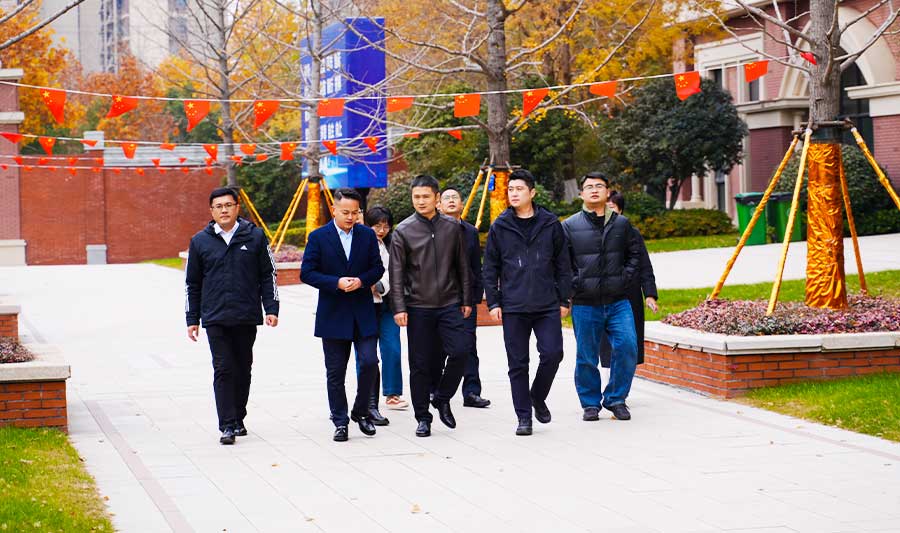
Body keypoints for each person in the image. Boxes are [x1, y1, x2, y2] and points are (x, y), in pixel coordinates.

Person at [185, 187, 279, 445]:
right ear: (211, 211)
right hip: (215, 316)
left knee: (243, 369)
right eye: (219, 206)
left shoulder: (255, 236)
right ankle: (227, 424)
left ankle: (238, 417)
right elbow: (192, 283)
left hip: (246, 315)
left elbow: (268, 274)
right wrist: (192, 319)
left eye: (228, 205)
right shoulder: (200, 241)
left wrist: (271, 308)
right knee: (223, 368)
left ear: (237, 207)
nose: (224, 210)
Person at [482, 169, 572, 436]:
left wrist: (564, 298)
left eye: (519, 189)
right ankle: (524, 417)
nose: (514, 193)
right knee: (518, 364)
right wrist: (494, 302)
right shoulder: (500, 226)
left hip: (546, 303)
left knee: (553, 354)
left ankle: (537, 396)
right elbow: (490, 267)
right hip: (513, 305)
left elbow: (563, 264)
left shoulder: (550, 223)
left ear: (532, 193)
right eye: (510, 189)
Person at [389, 175, 472, 438]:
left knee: (461, 351)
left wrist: (467, 299)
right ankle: (422, 417)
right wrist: (399, 307)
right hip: (418, 307)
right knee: (420, 364)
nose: (421, 201)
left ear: (437, 198)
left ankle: (442, 397)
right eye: (416, 197)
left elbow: (463, 266)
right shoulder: (403, 231)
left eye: (426, 196)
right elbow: (396, 273)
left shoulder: (452, 227)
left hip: (450, 303)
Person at [300, 188, 385, 442]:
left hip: (363, 311)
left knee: (369, 362)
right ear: (334, 209)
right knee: (335, 372)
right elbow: (307, 272)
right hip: (333, 314)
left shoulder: (367, 235)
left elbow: (377, 268)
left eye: (355, 213)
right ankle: (340, 421)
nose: (350, 217)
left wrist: (361, 281)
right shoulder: (318, 237)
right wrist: (335, 282)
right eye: (345, 212)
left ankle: (361, 412)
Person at [562, 172, 642, 422]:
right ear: (581, 194)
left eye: (599, 186)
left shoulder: (622, 224)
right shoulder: (569, 226)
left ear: (608, 192)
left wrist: (624, 278)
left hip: (618, 301)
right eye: (589, 187)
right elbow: (562, 263)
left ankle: (616, 398)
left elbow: (635, 255)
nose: (594, 190)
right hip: (585, 303)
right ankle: (590, 403)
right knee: (586, 356)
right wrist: (575, 285)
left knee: (628, 346)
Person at [437, 186, 490, 409]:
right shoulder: (432, 229)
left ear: (461, 204)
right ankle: (437, 389)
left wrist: (476, 295)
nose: (451, 201)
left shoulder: (470, 231)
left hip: (465, 298)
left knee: (469, 345)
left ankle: (471, 392)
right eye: (446, 198)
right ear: (439, 205)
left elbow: (476, 266)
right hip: (439, 297)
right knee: (439, 346)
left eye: (455, 198)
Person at [599, 191, 658, 369]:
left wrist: (650, 294)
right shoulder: (591, 233)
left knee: (629, 342)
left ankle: (623, 380)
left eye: (612, 208)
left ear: (621, 211)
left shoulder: (632, 233)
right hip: (602, 295)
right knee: (606, 345)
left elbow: (644, 265)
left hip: (630, 295)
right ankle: (609, 380)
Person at [364, 206, 409, 412]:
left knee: (392, 348)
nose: (382, 230)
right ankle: (367, 397)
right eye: (377, 226)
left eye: (386, 226)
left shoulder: (393, 244)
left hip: (389, 304)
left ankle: (393, 393)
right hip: (365, 306)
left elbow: (398, 271)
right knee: (366, 354)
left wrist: (380, 286)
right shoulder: (360, 243)